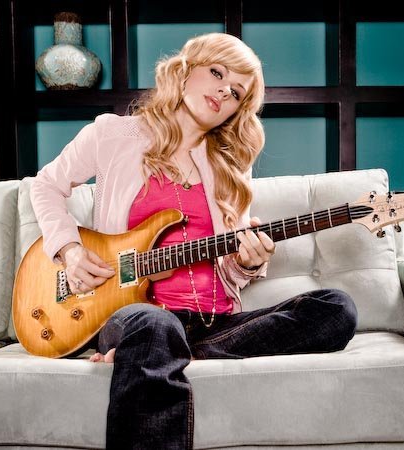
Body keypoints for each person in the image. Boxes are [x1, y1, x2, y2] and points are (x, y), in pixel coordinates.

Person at [30, 32, 357, 450]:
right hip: (134, 313)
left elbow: (230, 268)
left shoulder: (229, 163)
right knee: (155, 325)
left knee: (336, 309)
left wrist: (248, 261)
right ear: (185, 71)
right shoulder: (113, 134)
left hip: (213, 324)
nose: (224, 91)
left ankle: (161, 353)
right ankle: (154, 344)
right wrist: (70, 250)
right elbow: (45, 185)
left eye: (236, 92)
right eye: (217, 73)